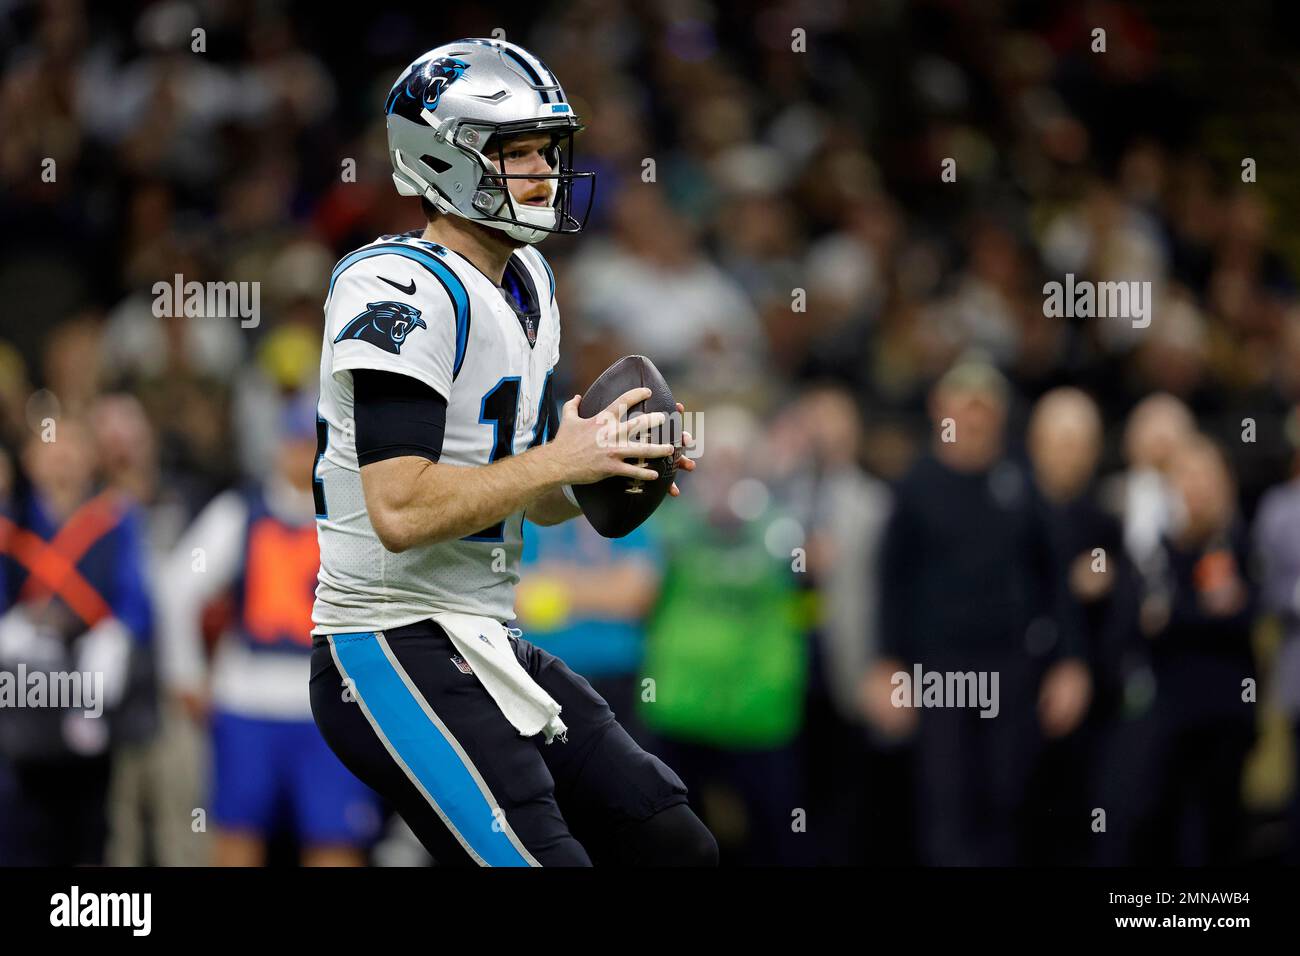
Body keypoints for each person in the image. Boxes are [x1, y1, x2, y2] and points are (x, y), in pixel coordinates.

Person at [308, 38, 716, 867]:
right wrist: (561, 461)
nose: (542, 171)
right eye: (515, 152)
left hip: (481, 632)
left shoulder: (527, 281)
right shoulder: (398, 286)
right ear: (439, 158)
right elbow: (400, 509)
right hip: (387, 640)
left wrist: (602, 465)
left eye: (546, 150)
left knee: (672, 842)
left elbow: (522, 491)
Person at [863, 355, 1090, 865]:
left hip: (1012, 669)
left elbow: (1056, 581)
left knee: (1008, 798)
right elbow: (890, 582)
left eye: (984, 407)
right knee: (945, 802)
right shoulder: (916, 486)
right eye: (962, 407)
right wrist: (885, 665)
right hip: (937, 670)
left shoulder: (1023, 484)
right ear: (939, 409)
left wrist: (1071, 663)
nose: (972, 418)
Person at [157, 396, 380, 865]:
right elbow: (178, 586)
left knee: (336, 844)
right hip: (249, 702)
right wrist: (186, 675)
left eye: (318, 444)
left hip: (330, 710)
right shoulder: (243, 511)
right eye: (300, 443)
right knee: (238, 839)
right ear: (280, 447)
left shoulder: (354, 517)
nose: (308, 455)